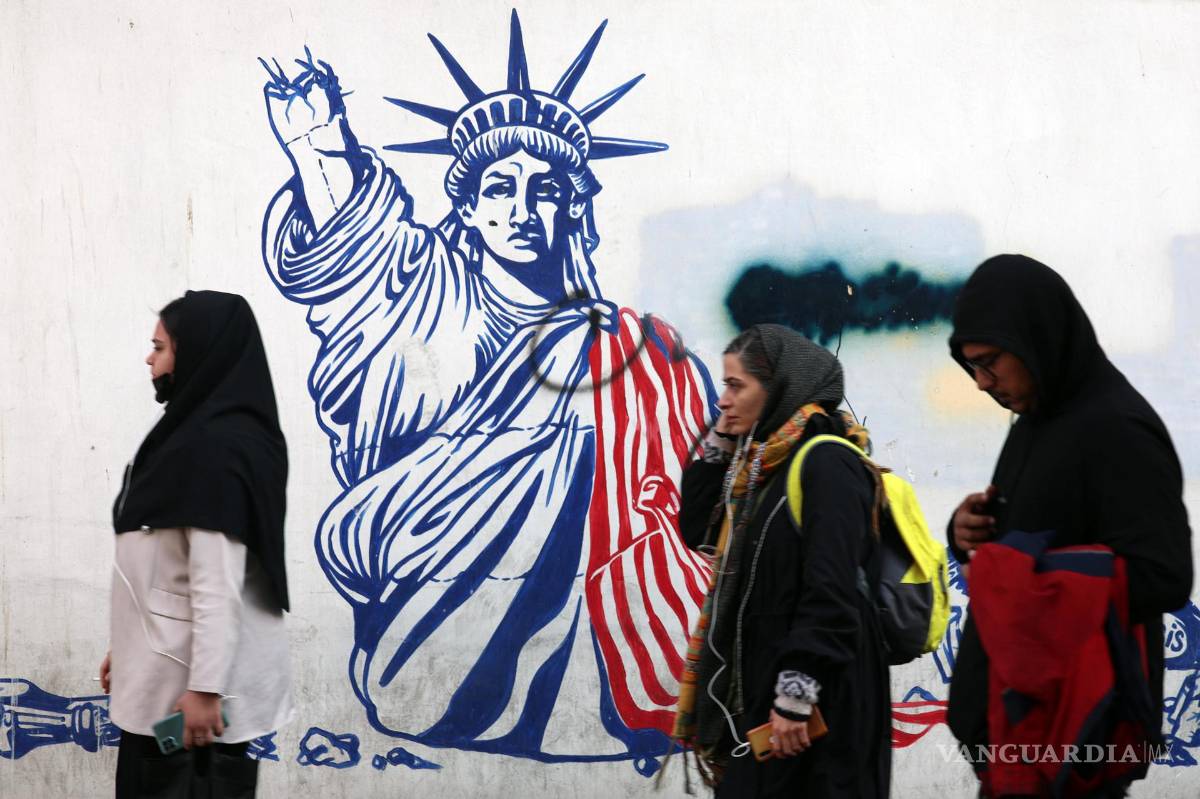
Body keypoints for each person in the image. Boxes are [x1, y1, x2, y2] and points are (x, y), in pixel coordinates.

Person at [253, 12, 716, 766]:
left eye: (546, 189)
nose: (523, 209)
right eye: (500, 187)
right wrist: (317, 147)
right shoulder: (420, 289)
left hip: (610, 620)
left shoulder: (633, 347)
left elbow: (692, 490)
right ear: (467, 207)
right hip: (417, 601)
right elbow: (352, 247)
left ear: (573, 207)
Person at [945, 254, 1193, 797]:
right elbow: (1039, 532)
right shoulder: (1039, 416)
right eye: (972, 368)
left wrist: (1030, 578)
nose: (983, 383)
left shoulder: (1118, 428)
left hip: (1077, 741)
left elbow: (1165, 573)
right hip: (1021, 736)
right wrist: (967, 531)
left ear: (1037, 337)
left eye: (991, 362)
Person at [673, 324, 891, 797]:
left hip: (819, 709)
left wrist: (796, 696)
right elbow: (696, 528)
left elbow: (830, 588)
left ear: (780, 389)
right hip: (766, 701)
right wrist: (723, 438)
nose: (723, 400)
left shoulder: (827, 463)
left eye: (736, 386)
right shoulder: (761, 471)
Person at [102, 290, 293, 798]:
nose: (149, 357)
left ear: (197, 354)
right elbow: (169, 567)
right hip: (173, 678)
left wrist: (206, 689)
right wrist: (127, 646)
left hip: (190, 698)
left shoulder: (216, 451)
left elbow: (216, 583)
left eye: (159, 347)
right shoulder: (196, 438)